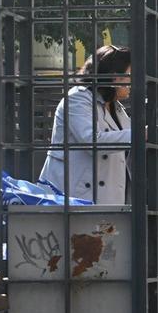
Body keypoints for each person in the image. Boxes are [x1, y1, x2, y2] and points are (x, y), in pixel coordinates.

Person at [40, 45, 132, 203]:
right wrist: (139, 134)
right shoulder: (77, 99)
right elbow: (92, 142)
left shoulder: (116, 108)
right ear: (114, 76)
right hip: (73, 199)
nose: (132, 82)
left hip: (106, 199)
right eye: (129, 75)